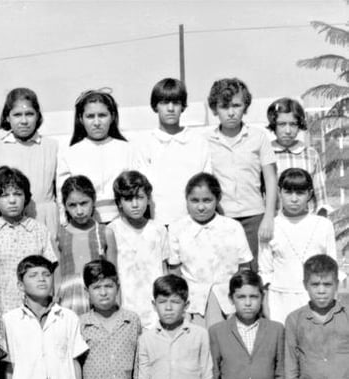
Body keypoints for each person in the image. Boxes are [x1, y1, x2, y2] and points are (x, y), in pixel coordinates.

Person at [206, 77, 279, 265]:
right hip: (222, 218)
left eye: (236, 105)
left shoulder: (258, 137)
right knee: (225, 271)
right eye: (224, 106)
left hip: (255, 217)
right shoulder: (206, 141)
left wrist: (269, 217)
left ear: (245, 107)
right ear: (215, 109)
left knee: (254, 275)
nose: (231, 112)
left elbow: (270, 179)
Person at [168, 173, 252, 328]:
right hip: (192, 304)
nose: (201, 207)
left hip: (229, 303)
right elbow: (175, 273)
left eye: (207, 200)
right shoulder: (177, 229)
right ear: (186, 200)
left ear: (217, 199)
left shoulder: (233, 227)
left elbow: (244, 268)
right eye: (194, 200)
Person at [259, 168, 339, 323]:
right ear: (279, 192)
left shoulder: (323, 225)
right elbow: (265, 270)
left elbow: (332, 267)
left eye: (300, 193)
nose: (294, 199)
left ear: (309, 194)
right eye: (288, 192)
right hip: (280, 301)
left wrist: (331, 305)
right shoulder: (269, 226)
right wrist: (267, 306)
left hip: (315, 300)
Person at [131, 78, 212, 226]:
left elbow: (206, 184)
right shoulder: (143, 143)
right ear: (155, 106)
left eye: (176, 103)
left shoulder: (198, 142)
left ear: (183, 106)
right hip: (158, 223)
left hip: (193, 222)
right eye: (164, 102)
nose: (170, 108)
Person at [0, 88, 59, 236]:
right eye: (17, 115)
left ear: (38, 116)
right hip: (9, 223)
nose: (24, 121)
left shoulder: (53, 146)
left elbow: (60, 189)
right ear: (7, 117)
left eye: (29, 114)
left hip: (46, 220)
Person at [0, 166, 57, 312]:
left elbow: (52, 268)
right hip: (2, 307)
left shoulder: (38, 230)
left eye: (17, 194)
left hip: (36, 308)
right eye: (5, 196)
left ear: (25, 197)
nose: (12, 200)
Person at [57, 89, 131, 224]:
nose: (97, 122)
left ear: (112, 116)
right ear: (81, 118)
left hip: (123, 223)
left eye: (102, 115)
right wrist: (65, 224)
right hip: (84, 224)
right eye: (90, 116)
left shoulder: (127, 149)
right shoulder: (69, 154)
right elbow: (63, 195)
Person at [108, 171, 169, 328]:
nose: (135, 204)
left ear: (148, 199)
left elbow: (164, 271)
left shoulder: (159, 230)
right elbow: (111, 273)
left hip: (155, 306)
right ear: (119, 202)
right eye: (128, 199)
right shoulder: (113, 230)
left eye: (140, 198)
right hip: (127, 305)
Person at [55, 175, 117, 316]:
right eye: (72, 205)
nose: (79, 211)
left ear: (93, 201)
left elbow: (114, 274)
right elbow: (57, 272)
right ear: (64, 205)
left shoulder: (105, 233)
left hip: (99, 296)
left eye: (84, 203)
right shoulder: (60, 235)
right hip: (69, 299)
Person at [267, 97, 331, 216]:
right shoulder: (265, 154)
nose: (287, 130)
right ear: (273, 125)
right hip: (276, 225)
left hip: (306, 223)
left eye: (293, 124)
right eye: (281, 124)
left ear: (299, 125)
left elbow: (320, 197)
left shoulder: (310, 154)